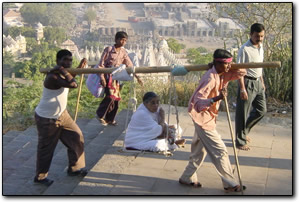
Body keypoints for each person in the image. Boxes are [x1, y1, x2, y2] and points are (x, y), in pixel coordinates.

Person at [179, 49, 247, 193]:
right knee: (220, 150)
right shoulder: (210, 78)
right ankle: (230, 183)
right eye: (226, 64)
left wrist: (230, 64)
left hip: (208, 118)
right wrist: (217, 98)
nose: (229, 67)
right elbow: (198, 103)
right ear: (217, 63)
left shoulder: (222, 74)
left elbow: (242, 72)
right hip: (203, 119)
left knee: (199, 152)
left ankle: (187, 177)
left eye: (230, 64)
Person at [34, 49, 88, 186]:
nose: (68, 62)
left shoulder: (63, 73)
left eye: (70, 60)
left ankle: (75, 168)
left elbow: (70, 76)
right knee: (46, 148)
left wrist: (79, 68)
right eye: (65, 60)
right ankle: (40, 177)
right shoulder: (52, 77)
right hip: (47, 118)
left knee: (76, 136)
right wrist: (62, 70)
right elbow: (72, 84)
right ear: (58, 61)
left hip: (62, 114)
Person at [96, 31, 142, 126]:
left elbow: (130, 65)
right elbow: (101, 65)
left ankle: (110, 119)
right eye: (121, 39)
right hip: (107, 76)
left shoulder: (123, 52)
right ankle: (99, 114)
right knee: (110, 97)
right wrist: (102, 77)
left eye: (125, 40)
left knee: (116, 99)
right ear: (116, 39)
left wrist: (137, 77)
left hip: (116, 78)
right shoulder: (108, 50)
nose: (123, 42)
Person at [235, 23, 267, 151]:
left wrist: (262, 81)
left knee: (261, 110)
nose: (259, 39)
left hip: (258, 82)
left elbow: (259, 66)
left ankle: (245, 130)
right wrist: (242, 88)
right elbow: (239, 70)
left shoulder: (261, 46)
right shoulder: (245, 49)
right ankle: (240, 141)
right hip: (247, 83)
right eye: (257, 36)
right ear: (251, 35)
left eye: (262, 36)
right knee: (242, 113)